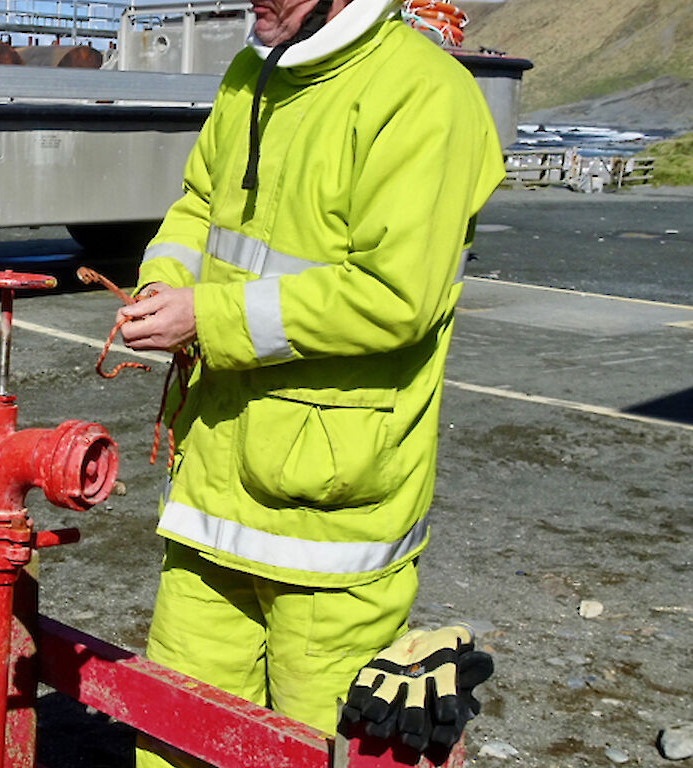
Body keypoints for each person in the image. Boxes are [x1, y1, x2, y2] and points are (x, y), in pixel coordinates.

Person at [112, 0, 501, 761]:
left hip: (332, 528)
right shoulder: (251, 72)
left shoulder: (425, 94)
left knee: (323, 748)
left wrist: (209, 320)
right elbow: (198, 207)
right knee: (176, 740)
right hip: (209, 507)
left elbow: (396, 297)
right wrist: (163, 284)